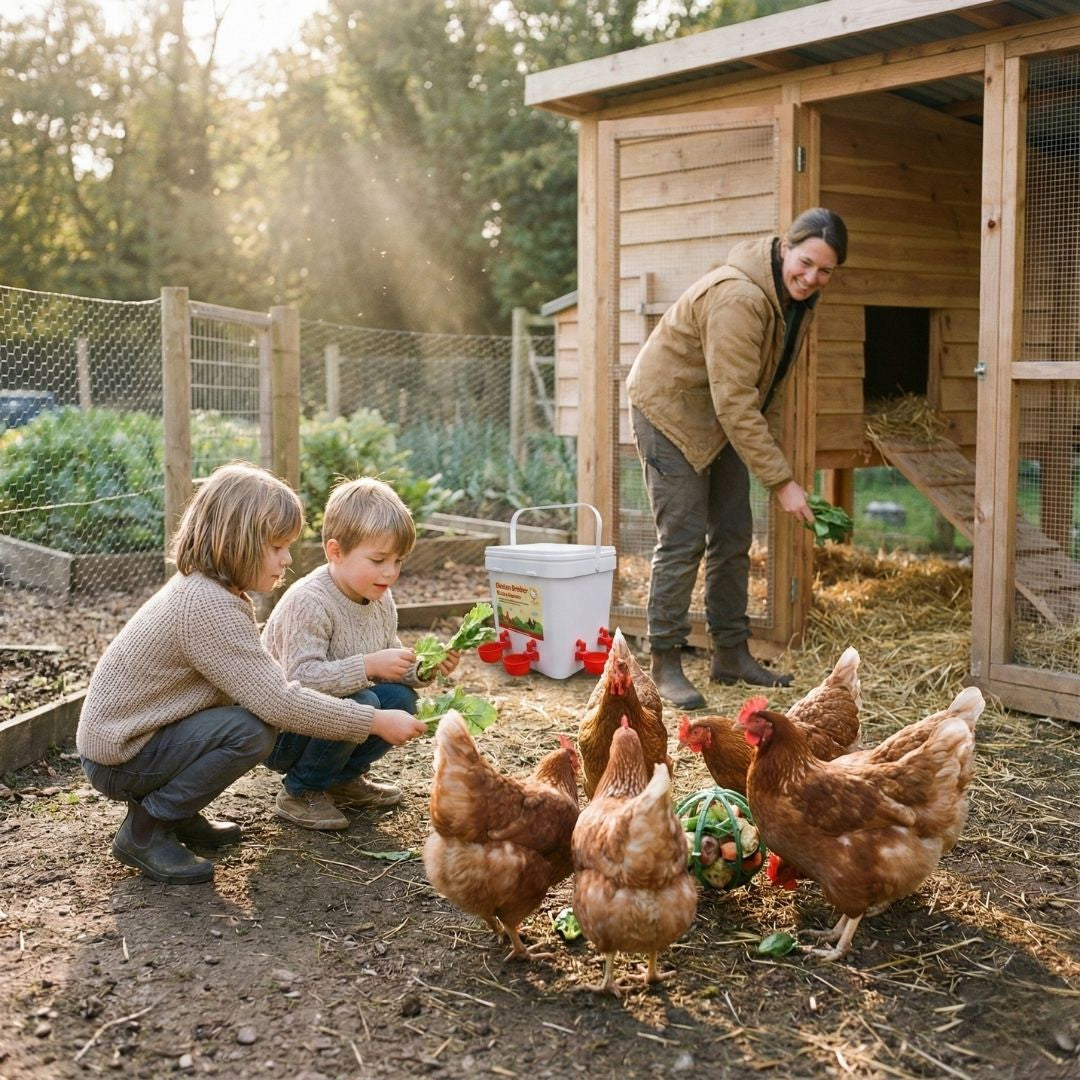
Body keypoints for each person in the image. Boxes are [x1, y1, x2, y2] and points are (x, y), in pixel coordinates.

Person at [77, 462, 427, 886]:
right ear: (238, 543)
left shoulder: (213, 591)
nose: (288, 558)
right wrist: (372, 721)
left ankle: (178, 814)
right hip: (122, 753)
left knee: (246, 724)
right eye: (277, 547)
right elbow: (278, 701)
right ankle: (147, 828)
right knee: (248, 731)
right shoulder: (208, 606)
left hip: (143, 738)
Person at [626, 207, 849, 708]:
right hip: (671, 411)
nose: (812, 278)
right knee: (682, 538)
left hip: (720, 413)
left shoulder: (793, 301)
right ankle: (663, 662)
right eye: (806, 262)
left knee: (732, 533)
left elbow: (764, 392)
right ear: (786, 246)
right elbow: (735, 401)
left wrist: (778, 467)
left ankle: (730, 653)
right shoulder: (741, 298)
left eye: (825, 271)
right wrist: (781, 480)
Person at [261, 476, 459, 830]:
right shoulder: (310, 601)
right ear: (335, 552)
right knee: (364, 701)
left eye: (399, 560)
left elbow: (390, 657)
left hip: (335, 715)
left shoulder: (379, 596)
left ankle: (342, 780)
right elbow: (298, 681)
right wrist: (368, 665)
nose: (391, 572)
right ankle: (301, 791)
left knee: (400, 697)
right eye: (379, 559)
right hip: (282, 730)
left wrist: (425, 668)